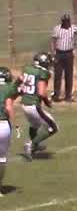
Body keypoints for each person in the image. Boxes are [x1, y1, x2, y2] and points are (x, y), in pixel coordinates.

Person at [18, 52, 58, 160]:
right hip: (33, 105)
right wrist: (47, 101)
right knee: (53, 127)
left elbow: (20, 86)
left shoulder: (27, 69)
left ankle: (34, 146)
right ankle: (31, 144)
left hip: (24, 104)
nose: (49, 65)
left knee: (34, 125)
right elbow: (41, 92)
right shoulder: (43, 72)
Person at [48, 14, 77, 101]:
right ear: (62, 22)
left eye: (67, 21)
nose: (66, 23)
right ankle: (56, 95)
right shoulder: (57, 29)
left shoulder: (73, 28)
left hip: (69, 54)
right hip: (59, 54)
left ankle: (68, 96)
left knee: (69, 76)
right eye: (64, 21)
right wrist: (53, 53)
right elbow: (53, 41)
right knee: (58, 75)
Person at [0, 67, 17, 196]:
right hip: (3, 125)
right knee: (1, 159)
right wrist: (14, 125)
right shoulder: (8, 89)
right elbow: (8, 107)